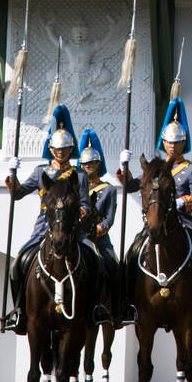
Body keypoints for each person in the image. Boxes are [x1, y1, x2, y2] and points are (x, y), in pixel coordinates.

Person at [2, 105, 90, 335]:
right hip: (44, 229)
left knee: (97, 262)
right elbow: (19, 193)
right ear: (50, 149)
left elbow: (86, 206)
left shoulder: (79, 175)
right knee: (18, 263)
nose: (61, 152)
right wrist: (12, 177)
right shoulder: (41, 172)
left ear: (71, 149)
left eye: (65, 149)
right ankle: (20, 311)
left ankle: (94, 309)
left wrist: (76, 214)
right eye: (57, 148)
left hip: (72, 231)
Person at [118, 96, 192, 321]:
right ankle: (126, 303)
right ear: (163, 143)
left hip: (182, 222)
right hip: (154, 223)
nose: (172, 146)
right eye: (168, 142)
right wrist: (123, 170)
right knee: (131, 254)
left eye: (177, 143)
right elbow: (133, 186)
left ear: (184, 144)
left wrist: (182, 201)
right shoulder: (155, 168)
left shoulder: (191, 169)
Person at [78, 128, 120, 321]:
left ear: (99, 164)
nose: (88, 166)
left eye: (92, 163)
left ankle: (118, 309)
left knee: (113, 265)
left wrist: (99, 229)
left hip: (99, 238)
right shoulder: (75, 189)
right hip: (78, 237)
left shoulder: (109, 190)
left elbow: (109, 217)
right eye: (85, 164)